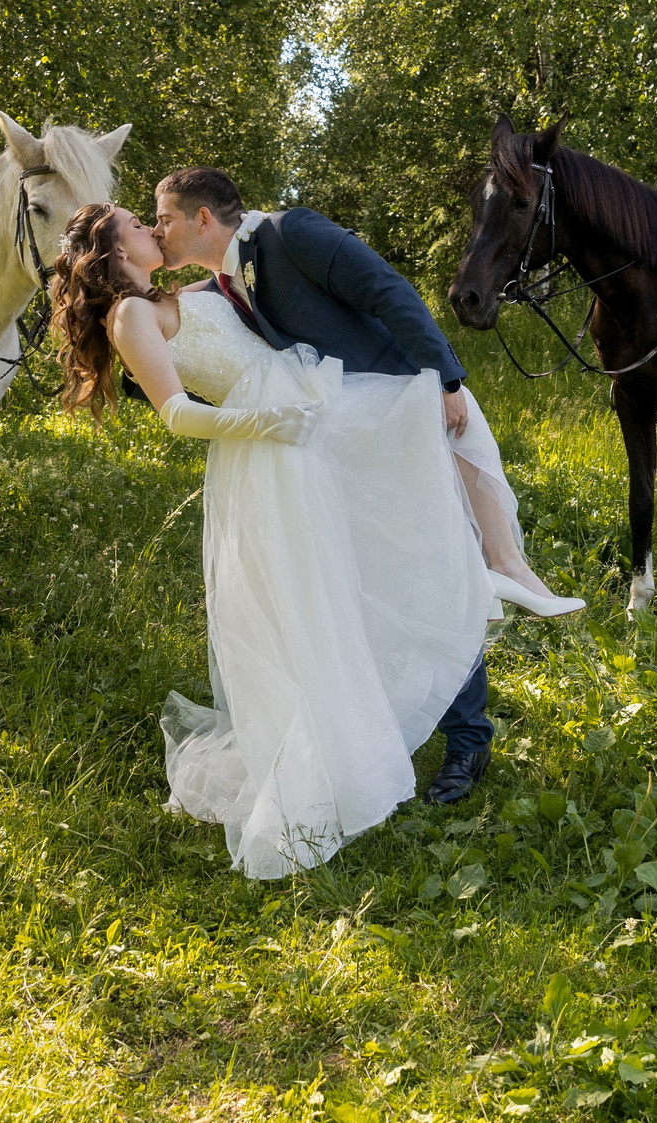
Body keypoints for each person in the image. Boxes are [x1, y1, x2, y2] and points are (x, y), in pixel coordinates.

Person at [50, 203, 500, 877]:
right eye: (136, 224)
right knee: (322, 596)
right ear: (113, 252)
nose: (150, 225)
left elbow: (243, 276)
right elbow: (175, 411)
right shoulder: (129, 316)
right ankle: (348, 748)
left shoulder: (182, 292)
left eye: (156, 216)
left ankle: (457, 712)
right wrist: (265, 423)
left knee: (398, 552)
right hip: (272, 447)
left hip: (310, 420)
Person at [149, 167, 581, 808]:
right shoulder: (224, 284)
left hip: (408, 407)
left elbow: (387, 290)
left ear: (203, 219)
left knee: (436, 567)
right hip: (342, 438)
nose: (158, 230)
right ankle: (395, 718)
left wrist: (445, 379)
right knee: (380, 579)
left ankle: (468, 743)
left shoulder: (293, 234)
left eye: (164, 218)